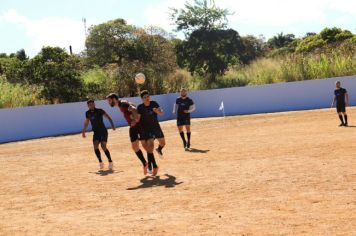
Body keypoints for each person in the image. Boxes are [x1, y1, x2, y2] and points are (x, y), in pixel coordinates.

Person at [106, 93, 149, 175]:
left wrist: (136, 119)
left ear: (114, 99)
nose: (108, 102)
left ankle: (152, 164)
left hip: (139, 126)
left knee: (145, 145)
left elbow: (134, 108)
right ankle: (145, 163)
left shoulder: (122, 104)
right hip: (133, 127)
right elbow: (132, 105)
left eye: (109, 100)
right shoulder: (121, 104)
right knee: (135, 147)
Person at [137, 90, 166, 176]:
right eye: (144, 97)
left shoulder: (154, 103)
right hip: (147, 130)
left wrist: (157, 111)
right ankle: (150, 165)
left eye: (147, 96)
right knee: (150, 147)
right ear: (142, 99)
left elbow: (162, 112)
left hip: (156, 127)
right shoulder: (140, 107)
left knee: (163, 143)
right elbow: (138, 118)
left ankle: (159, 149)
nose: (146, 98)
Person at [82, 99, 116, 170]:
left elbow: (108, 117)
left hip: (103, 131)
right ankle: (100, 162)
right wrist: (84, 131)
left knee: (103, 146)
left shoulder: (100, 111)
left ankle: (110, 161)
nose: (91, 105)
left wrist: (112, 125)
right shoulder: (87, 113)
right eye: (90, 105)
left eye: (92, 104)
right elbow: (87, 122)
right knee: (95, 146)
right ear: (88, 106)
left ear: (94, 104)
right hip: (96, 132)